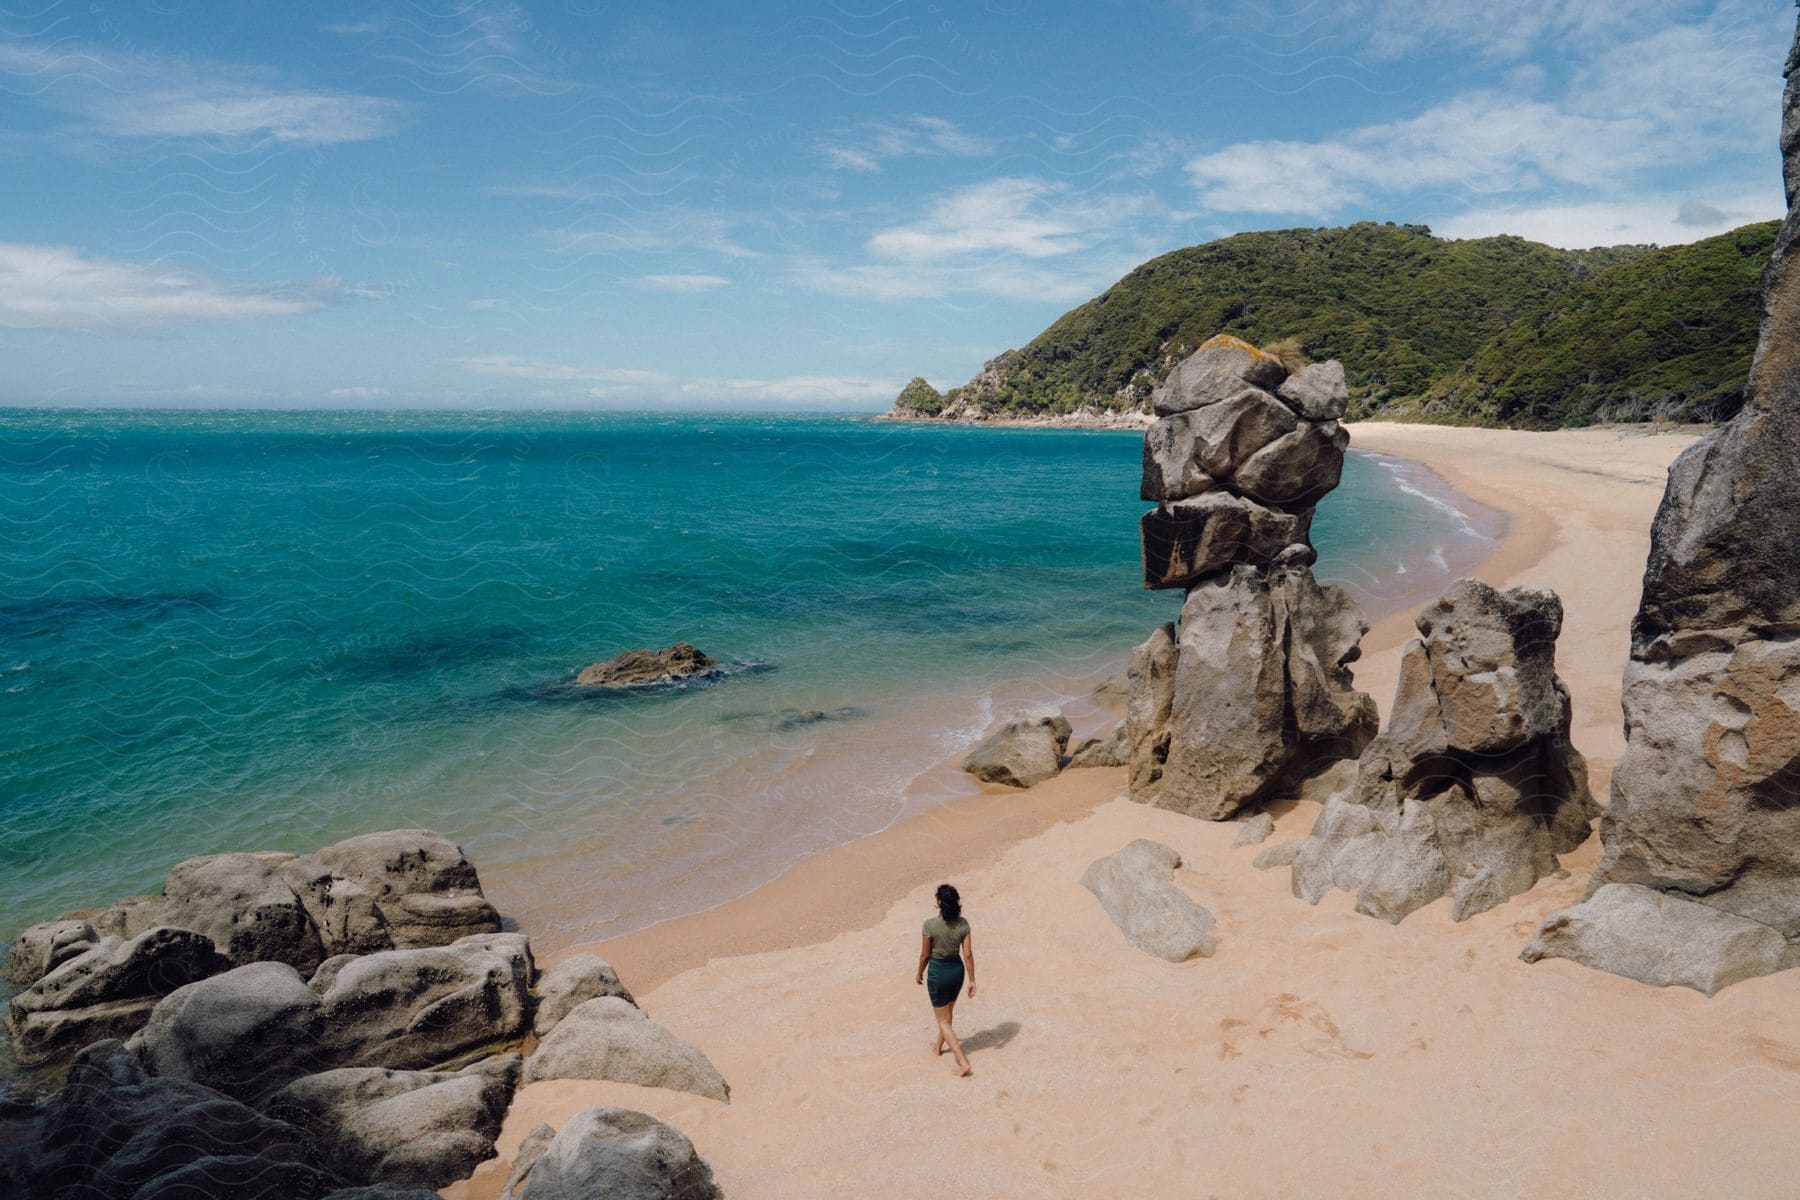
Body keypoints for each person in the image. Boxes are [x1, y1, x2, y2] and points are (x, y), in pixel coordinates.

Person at [916, 882, 976, 1077]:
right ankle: (938, 1048)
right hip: (957, 972)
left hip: (938, 973)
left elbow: (925, 955)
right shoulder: (963, 924)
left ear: (939, 903)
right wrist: (972, 979)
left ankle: (963, 1062)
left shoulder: (930, 925)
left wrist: (919, 972)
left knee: (943, 1021)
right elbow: (968, 955)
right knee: (947, 1014)